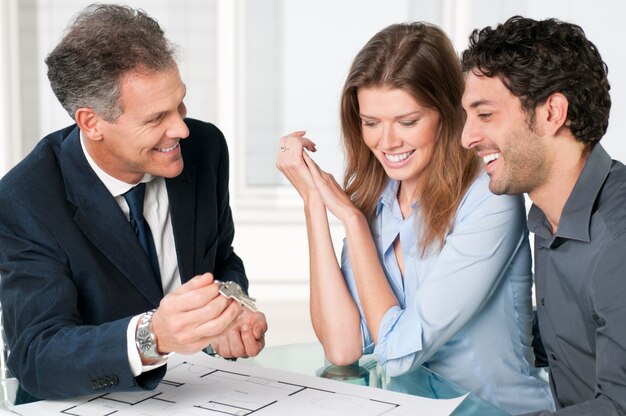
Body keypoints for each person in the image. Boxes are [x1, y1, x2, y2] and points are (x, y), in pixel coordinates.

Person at [277, 22, 553, 414]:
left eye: (408, 122)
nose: (386, 142)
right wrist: (314, 203)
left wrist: (354, 224)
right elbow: (343, 347)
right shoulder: (381, 198)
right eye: (371, 123)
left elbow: (398, 354)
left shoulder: (488, 199)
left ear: (448, 113)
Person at [0, 4, 267, 404]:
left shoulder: (205, 148)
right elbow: (37, 357)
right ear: (91, 123)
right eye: (156, 117)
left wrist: (228, 309)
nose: (180, 128)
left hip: (195, 391)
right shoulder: (26, 200)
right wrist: (153, 336)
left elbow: (220, 258)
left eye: (180, 104)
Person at [461, 16, 626, 415]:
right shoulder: (546, 218)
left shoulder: (617, 241)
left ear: (552, 113)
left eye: (485, 115)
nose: (466, 138)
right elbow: (571, 339)